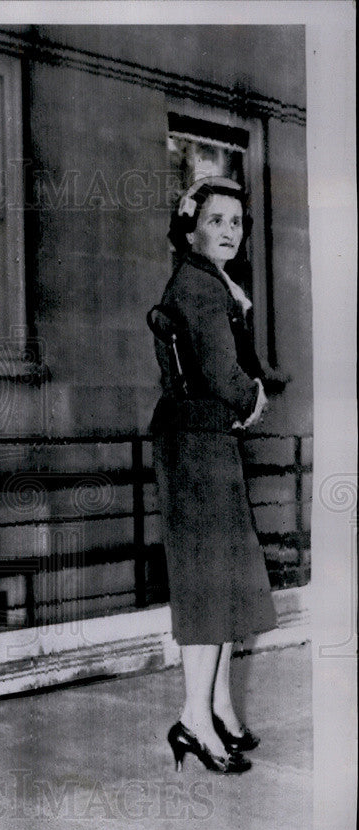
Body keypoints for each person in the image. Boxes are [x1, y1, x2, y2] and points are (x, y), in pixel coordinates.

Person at [148, 176, 280, 774]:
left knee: (221, 576)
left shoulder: (209, 282)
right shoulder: (201, 288)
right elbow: (226, 377)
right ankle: (193, 720)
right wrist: (253, 396)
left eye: (236, 222)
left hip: (202, 439)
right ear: (191, 225)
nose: (229, 230)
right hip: (197, 442)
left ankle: (218, 707)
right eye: (217, 220)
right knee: (207, 580)